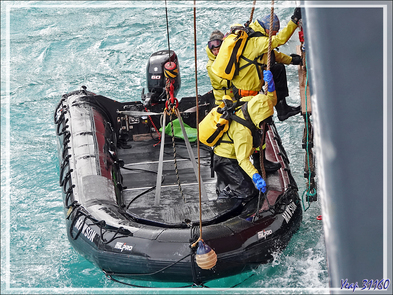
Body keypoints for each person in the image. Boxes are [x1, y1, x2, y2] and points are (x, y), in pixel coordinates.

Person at [213, 70, 278, 199]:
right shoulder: (242, 132)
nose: (264, 125)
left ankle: (226, 182)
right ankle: (224, 196)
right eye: (263, 121)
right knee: (247, 191)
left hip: (231, 152)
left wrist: (271, 88)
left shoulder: (249, 104)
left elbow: (268, 101)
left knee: (244, 182)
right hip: (226, 159)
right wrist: (256, 176)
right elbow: (242, 159)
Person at [231, 8, 303, 121]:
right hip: (247, 90)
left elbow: (271, 55)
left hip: (250, 78)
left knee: (278, 68)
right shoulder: (258, 42)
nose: (276, 34)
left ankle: (283, 109)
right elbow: (279, 40)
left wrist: (291, 60)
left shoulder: (254, 35)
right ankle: (275, 112)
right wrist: (294, 20)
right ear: (268, 30)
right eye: (274, 32)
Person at [206, 30, 235, 105]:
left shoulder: (230, 58)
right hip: (222, 102)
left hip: (236, 97)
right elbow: (225, 83)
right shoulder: (210, 66)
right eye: (214, 50)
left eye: (219, 49)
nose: (216, 52)